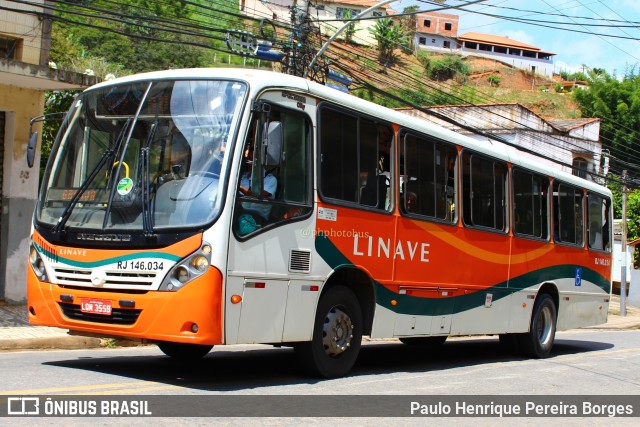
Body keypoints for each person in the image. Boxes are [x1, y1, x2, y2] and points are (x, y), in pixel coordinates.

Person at [237, 143, 277, 235]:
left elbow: (262, 195)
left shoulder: (270, 179)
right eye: (249, 158)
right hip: (240, 212)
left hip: (256, 218)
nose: (250, 162)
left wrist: (240, 188)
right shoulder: (244, 176)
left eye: (253, 159)